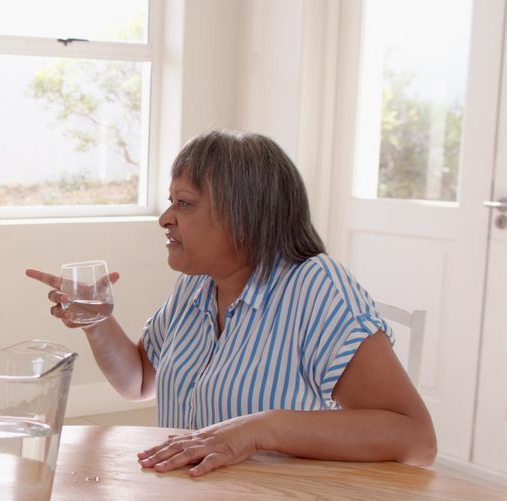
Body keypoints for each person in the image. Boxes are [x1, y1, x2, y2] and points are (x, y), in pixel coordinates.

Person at [27, 130, 436, 477]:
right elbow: (138, 381)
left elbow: (414, 438)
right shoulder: (196, 285)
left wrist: (262, 429)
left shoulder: (317, 288)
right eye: (171, 202)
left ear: (245, 216)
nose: (165, 218)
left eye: (184, 203)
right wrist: (97, 322)